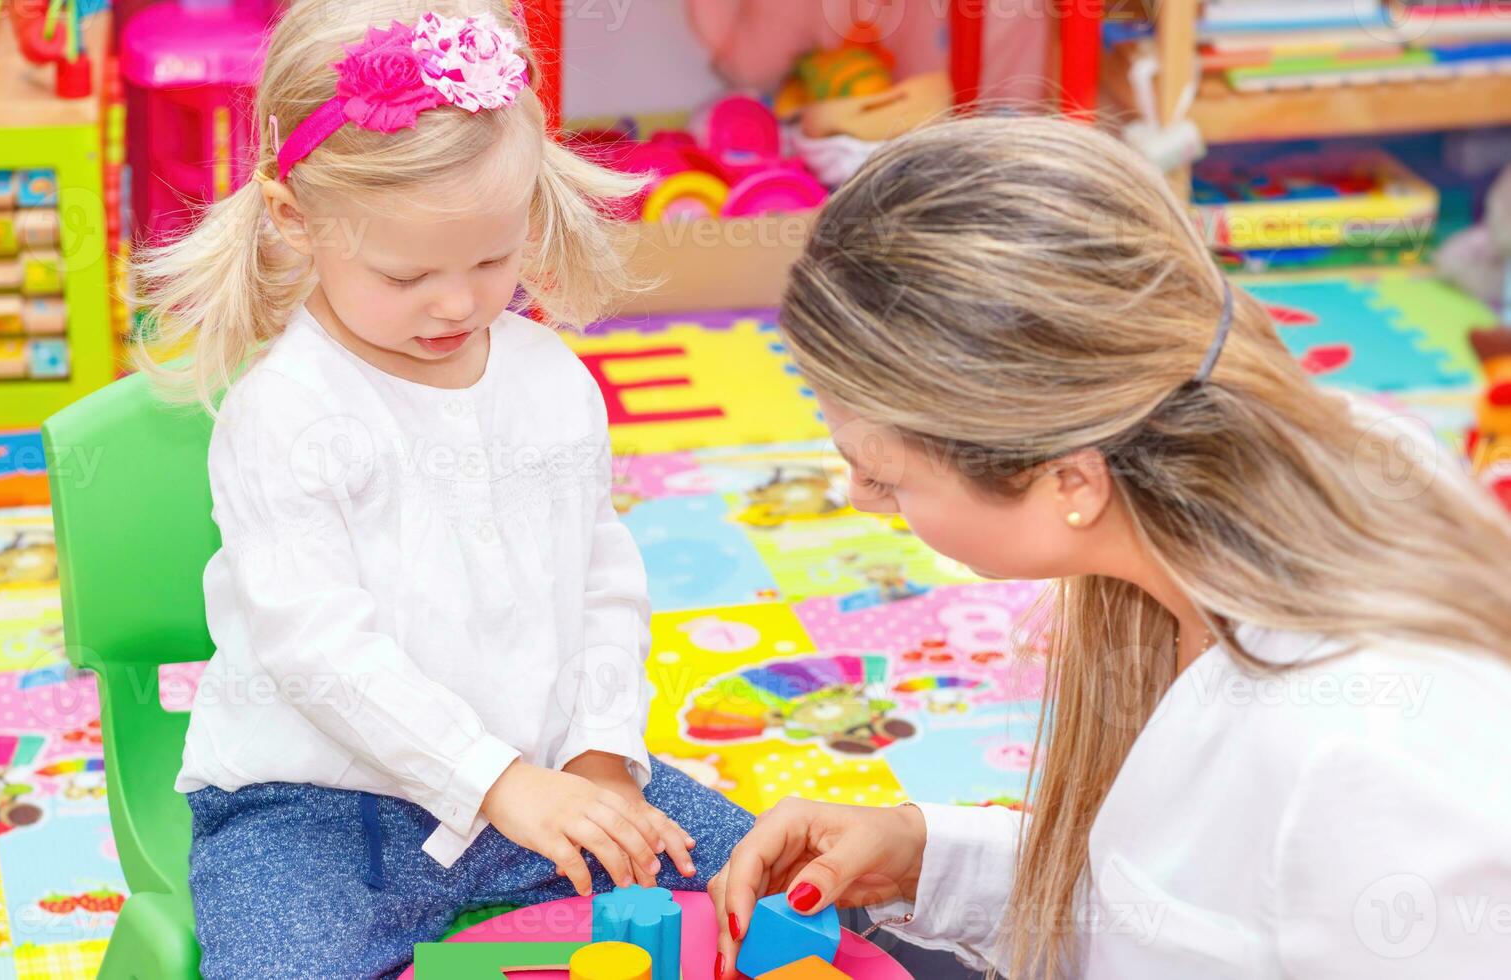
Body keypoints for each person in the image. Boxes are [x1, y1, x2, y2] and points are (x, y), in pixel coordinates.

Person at [711, 116, 1511, 980]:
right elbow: (1187, 905)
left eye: (887, 477)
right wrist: (924, 854)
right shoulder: (1275, 484)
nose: (861, 500)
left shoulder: (1371, 762)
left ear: (1070, 484)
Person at [133, 3, 753, 975]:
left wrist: (595, 755)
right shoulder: (286, 411)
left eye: (493, 258)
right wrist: (493, 777)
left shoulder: (548, 378)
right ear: (297, 216)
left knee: (770, 883)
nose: (460, 302)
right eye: (408, 271)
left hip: (539, 777)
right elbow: (319, 649)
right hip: (316, 814)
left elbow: (601, 581)